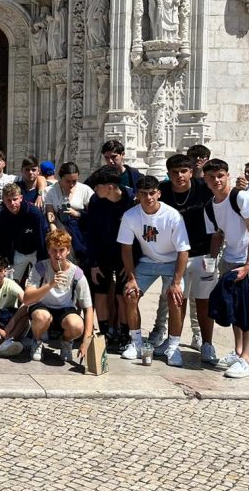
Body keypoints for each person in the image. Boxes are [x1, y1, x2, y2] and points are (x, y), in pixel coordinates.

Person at [203, 158, 249, 378]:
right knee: (235, 306)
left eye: (220, 175)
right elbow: (217, 235)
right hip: (230, 258)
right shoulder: (210, 206)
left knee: (248, 307)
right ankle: (238, 351)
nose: (217, 180)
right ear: (205, 179)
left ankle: (246, 359)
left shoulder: (241, 197)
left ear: (228, 175)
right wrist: (212, 261)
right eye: (212, 177)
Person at [117, 175, 191, 366]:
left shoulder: (173, 215)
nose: (148, 198)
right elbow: (125, 248)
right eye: (143, 194)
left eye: (152, 193)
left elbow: (183, 250)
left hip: (172, 262)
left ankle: (173, 347)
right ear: (137, 195)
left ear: (158, 193)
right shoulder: (130, 216)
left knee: (176, 300)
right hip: (148, 261)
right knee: (130, 295)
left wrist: (176, 282)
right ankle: (137, 342)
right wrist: (132, 278)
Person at [157, 154, 215, 355]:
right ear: (168, 174)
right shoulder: (161, 191)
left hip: (203, 253)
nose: (179, 176)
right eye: (174, 172)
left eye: (183, 171)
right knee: (175, 299)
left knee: (203, 300)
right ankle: (173, 341)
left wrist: (214, 256)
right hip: (175, 256)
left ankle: (206, 342)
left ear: (191, 172)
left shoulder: (204, 189)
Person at [81, 166, 136, 353]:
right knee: (101, 293)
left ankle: (124, 334)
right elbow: (91, 233)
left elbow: (138, 235)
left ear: (111, 186)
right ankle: (104, 332)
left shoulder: (131, 200)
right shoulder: (96, 201)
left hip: (124, 255)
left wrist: (131, 264)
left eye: (98, 186)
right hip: (102, 253)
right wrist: (94, 263)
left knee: (123, 295)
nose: (95, 189)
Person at [22, 230, 94, 364]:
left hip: (65, 309)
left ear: (68, 250)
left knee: (77, 325)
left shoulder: (76, 273)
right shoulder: (40, 267)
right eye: (54, 250)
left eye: (62, 250)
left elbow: (88, 307)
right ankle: (37, 341)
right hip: (42, 306)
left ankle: (66, 342)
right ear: (48, 250)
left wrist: (86, 340)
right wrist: (50, 284)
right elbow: (27, 299)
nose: (58, 255)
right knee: (41, 316)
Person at [0, 183, 48, 285]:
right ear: (3, 200)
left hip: (36, 252)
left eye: (15, 199)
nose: (12, 203)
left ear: (21, 198)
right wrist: (7, 261)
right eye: (8, 200)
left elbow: (42, 237)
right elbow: (4, 241)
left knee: (41, 281)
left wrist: (42, 260)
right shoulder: (2, 217)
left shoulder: (34, 213)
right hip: (18, 252)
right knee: (9, 282)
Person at [43, 161, 92, 261]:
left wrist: (77, 213)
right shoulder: (50, 191)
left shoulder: (85, 190)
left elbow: (93, 214)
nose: (72, 184)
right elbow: (50, 212)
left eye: (75, 181)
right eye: (68, 181)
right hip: (61, 231)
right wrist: (54, 229)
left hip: (80, 233)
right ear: (61, 178)